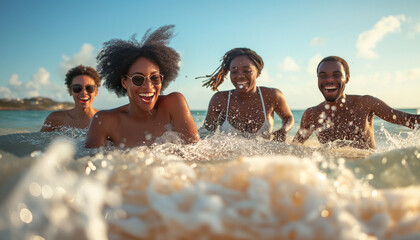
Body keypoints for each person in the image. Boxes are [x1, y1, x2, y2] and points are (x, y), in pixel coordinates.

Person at [85, 25, 199, 148]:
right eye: (138, 79)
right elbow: (87, 164)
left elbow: (199, 157)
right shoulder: (104, 122)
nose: (148, 86)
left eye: (154, 78)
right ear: (124, 82)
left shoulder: (174, 104)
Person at [293, 56, 420, 149]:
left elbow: (408, 120)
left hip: (368, 177)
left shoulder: (365, 104)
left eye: (336, 75)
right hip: (332, 178)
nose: (329, 80)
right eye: (323, 75)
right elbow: (294, 148)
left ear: (347, 78)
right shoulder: (312, 114)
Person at [200, 48, 294, 141]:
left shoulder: (272, 95)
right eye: (234, 72)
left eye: (247, 71)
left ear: (258, 72)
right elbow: (206, 134)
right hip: (228, 156)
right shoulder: (220, 99)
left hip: (263, 156)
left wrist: (284, 130)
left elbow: (288, 117)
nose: (240, 76)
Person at [41, 65, 101, 132]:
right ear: (70, 91)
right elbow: (38, 141)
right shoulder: (55, 118)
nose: (84, 92)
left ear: (96, 92)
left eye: (89, 88)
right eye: (77, 88)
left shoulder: (104, 120)